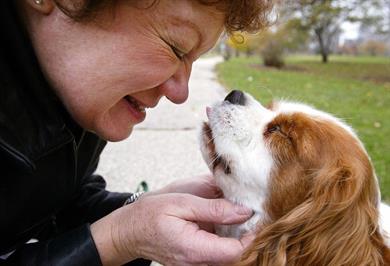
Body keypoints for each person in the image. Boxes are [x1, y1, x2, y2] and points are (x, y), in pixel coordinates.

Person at [0, 0, 274, 265]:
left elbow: (58, 201)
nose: (181, 92)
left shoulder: (73, 91)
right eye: (176, 48)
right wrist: (118, 240)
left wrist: (145, 209)